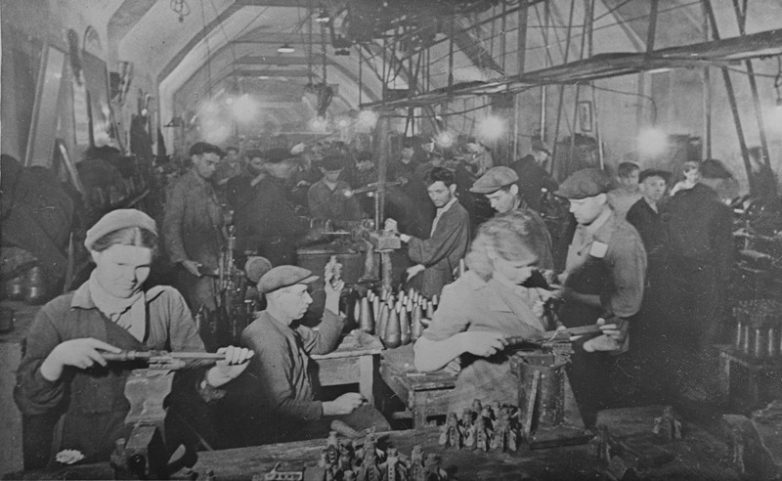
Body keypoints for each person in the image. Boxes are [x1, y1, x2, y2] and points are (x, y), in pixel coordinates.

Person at [14, 209, 252, 465]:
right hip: (87, 459)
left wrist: (217, 377)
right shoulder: (58, 314)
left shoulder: (166, 302)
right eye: (120, 265)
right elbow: (31, 403)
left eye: (142, 267)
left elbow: (190, 390)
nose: (130, 277)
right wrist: (57, 359)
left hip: (158, 451)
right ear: (96, 254)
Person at [413, 211, 554, 412]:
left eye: (533, 265)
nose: (529, 272)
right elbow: (423, 359)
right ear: (493, 255)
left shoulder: (535, 281)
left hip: (537, 401)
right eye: (519, 266)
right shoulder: (466, 291)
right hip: (484, 410)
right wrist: (463, 342)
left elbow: (552, 343)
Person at [239, 264, 388, 443]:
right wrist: (333, 408)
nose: (309, 300)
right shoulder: (268, 339)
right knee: (378, 431)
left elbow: (321, 344)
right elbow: (280, 407)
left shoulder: (285, 324)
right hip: (285, 434)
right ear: (279, 298)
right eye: (302, 293)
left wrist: (332, 295)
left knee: (370, 419)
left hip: (303, 419)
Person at [556, 168, 647, 427]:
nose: (572, 209)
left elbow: (628, 302)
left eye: (579, 203)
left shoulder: (623, 239)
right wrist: (560, 280)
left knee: (588, 411)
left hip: (599, 339)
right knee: (563, 396)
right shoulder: (582, 227)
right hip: (569, 328)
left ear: (601, 199)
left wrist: (572, 295)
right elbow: (577, 269)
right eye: (570, 203)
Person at [664, 159, 734, 351]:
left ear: (700, 176)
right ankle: (703, 362)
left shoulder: (676, 199)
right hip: (706, 274)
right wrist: (726, 281)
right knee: (706, 324)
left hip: (675, 271)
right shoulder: (720, 208)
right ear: (720, 181)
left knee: (680, 322)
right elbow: (724, 250)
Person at [385, 167, 471, 298]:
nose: (434, 197)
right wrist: (420, 267)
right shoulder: (445, 210)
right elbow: (442, 249)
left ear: (452, 188)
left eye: (439, 191)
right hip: (438, 271)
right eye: (430, 192)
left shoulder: (456, 215)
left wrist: (400, 235)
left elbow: (430, 251)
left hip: (446, 279)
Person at [163, 142, 226, 316]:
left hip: (211, 259)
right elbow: (171, 227)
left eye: (216, 164)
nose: (213, 168)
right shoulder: (181, 187)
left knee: (216, 308)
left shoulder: (207, 184)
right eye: (209, 163)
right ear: (195, 159)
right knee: (205, 313)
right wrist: (183, 260)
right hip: (195, 262)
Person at [470, 166, 554, 270]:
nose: (492, 205)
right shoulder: (508, 216)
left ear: (514, 190)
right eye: (489, 200)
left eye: (497, 198)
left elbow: (542, 264)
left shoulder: (529, 223)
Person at [250, 148, 311, 266]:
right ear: (269, 166)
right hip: (275, 248)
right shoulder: (268, 188)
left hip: (280, 245)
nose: (291, 168)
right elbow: (262, 219)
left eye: (291, 164)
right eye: (287, 164)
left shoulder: (278, 185)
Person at [307, 154, 364, 222]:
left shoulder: (344, 186)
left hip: (344, 225)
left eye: (337, 172)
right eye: (331, 173)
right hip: (324, 225)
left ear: (341, 170)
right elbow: (315, 212)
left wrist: (356, 221)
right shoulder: (314, 190)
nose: (334, 176)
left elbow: (353, 208)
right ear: (322, 170)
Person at [509, 139, 559, 212]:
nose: (546, 159)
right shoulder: (539, 171)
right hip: (530, 210)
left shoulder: (514, 165)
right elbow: (554, 187)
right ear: (541, 153)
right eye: (547, 155)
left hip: (513, 207)